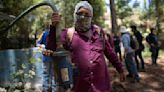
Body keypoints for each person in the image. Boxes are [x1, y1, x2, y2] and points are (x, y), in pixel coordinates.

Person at [45, 1, 125, 92]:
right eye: (80, 13)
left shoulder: (99, 32)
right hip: (80, 87)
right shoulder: (68, 34)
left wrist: (120, 69)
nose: (83, 16)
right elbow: (50, 48)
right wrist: (53, 27)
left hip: (101, 87)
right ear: (75, 15)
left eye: (87, 14)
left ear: (91, 17)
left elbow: (110, 53)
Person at [37, 23, 56, 92]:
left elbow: (38, 43)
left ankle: (47, 89)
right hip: (50, 57)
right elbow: (38, 43)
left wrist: (41, 46)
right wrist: (42, 46)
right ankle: (50, 89)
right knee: (52, 75)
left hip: (51, 58)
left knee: (47, 75)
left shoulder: (44, 33)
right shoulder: (46, 33)